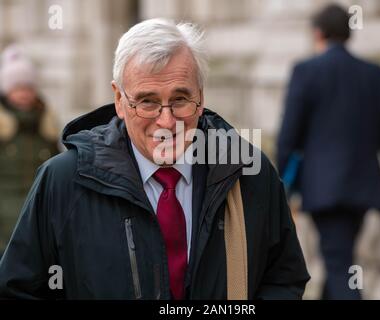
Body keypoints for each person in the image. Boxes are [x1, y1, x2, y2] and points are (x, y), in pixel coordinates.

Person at [0, 18, 309, 299]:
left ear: (200, 98)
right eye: (147, 102)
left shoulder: (250, 174)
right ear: (119, 100)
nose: (166, 121)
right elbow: (18, 288)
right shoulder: (62, 181)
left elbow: (283, 277)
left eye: (179, 100)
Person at [276, 4, 380, 300]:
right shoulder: (374, 74)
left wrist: (280, 190)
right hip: (364, 188)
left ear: (318, 33)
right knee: (338, 257)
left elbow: (288, 137)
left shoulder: (306, 71)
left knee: (339, 265)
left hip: (324, 190)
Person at [0, 44, 60, 259]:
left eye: (29, 87)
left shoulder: (47, 125)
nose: (24, 94)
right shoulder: (3, 130)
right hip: (4, 224)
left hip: (38, 219)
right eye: (18, 88)